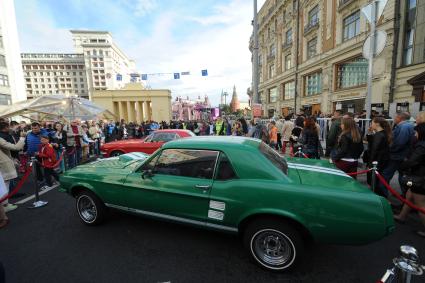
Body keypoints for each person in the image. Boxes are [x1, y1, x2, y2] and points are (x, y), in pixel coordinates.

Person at [393, 123, 425, 238]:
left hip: (420, 177)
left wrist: (402, 165)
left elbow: (413, 160)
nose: (414, 134)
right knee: (409, 196)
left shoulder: (421, 146)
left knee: (421, 204)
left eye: (416, 132)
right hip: (419, 176)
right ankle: (402, 216)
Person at [382, 112, 415, 195]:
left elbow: (400, 142)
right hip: (402, 156)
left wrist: (390, 150)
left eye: (395, 117)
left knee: (386, 175)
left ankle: (384, 195)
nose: (394, 119)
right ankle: (405, 196)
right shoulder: (407, 125)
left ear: (400, 118)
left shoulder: (404, 127)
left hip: (397, 156)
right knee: (402, 176)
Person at [0, 127, 26, 212]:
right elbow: (16, 147)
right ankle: (4, 205)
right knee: (4, 186)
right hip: (3, 166)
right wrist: (22, 137)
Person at [366, 117, 392, 197]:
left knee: (374, 183)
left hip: (377, 162)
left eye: (372, 123)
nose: (371, 124)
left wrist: (370, 165)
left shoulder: (379, 135)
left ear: (377, 124)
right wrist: (370, 133)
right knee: (377, 182)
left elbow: (374, 151)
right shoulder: (383, 133)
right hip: (382, 161)